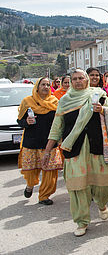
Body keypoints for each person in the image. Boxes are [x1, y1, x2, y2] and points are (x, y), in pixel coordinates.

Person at [43, 69, 108, 236]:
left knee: (106, 184)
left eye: (81, 78)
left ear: (87, 80)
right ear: (71, 81)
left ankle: (101, 203)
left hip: (97, 146)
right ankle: (81, 222)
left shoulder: (99, 94)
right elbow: (57, 127)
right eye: (75, 79)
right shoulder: (64, 101)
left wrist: (102, 110)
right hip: (74, 149)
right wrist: (48, 151)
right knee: (78, 188)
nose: (78, 81)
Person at [17, 77, 61, 205]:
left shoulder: (55, 102)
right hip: (31, 142)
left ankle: (44, 196)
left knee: (50, 172)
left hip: (50, 143)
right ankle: (30, 185)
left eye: (48, 85)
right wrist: (26, 122)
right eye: (43, 84)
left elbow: (59, 122)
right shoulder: (27, 102)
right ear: (37, 86)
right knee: (31, 171)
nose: (46, 87)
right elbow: (19, 121)